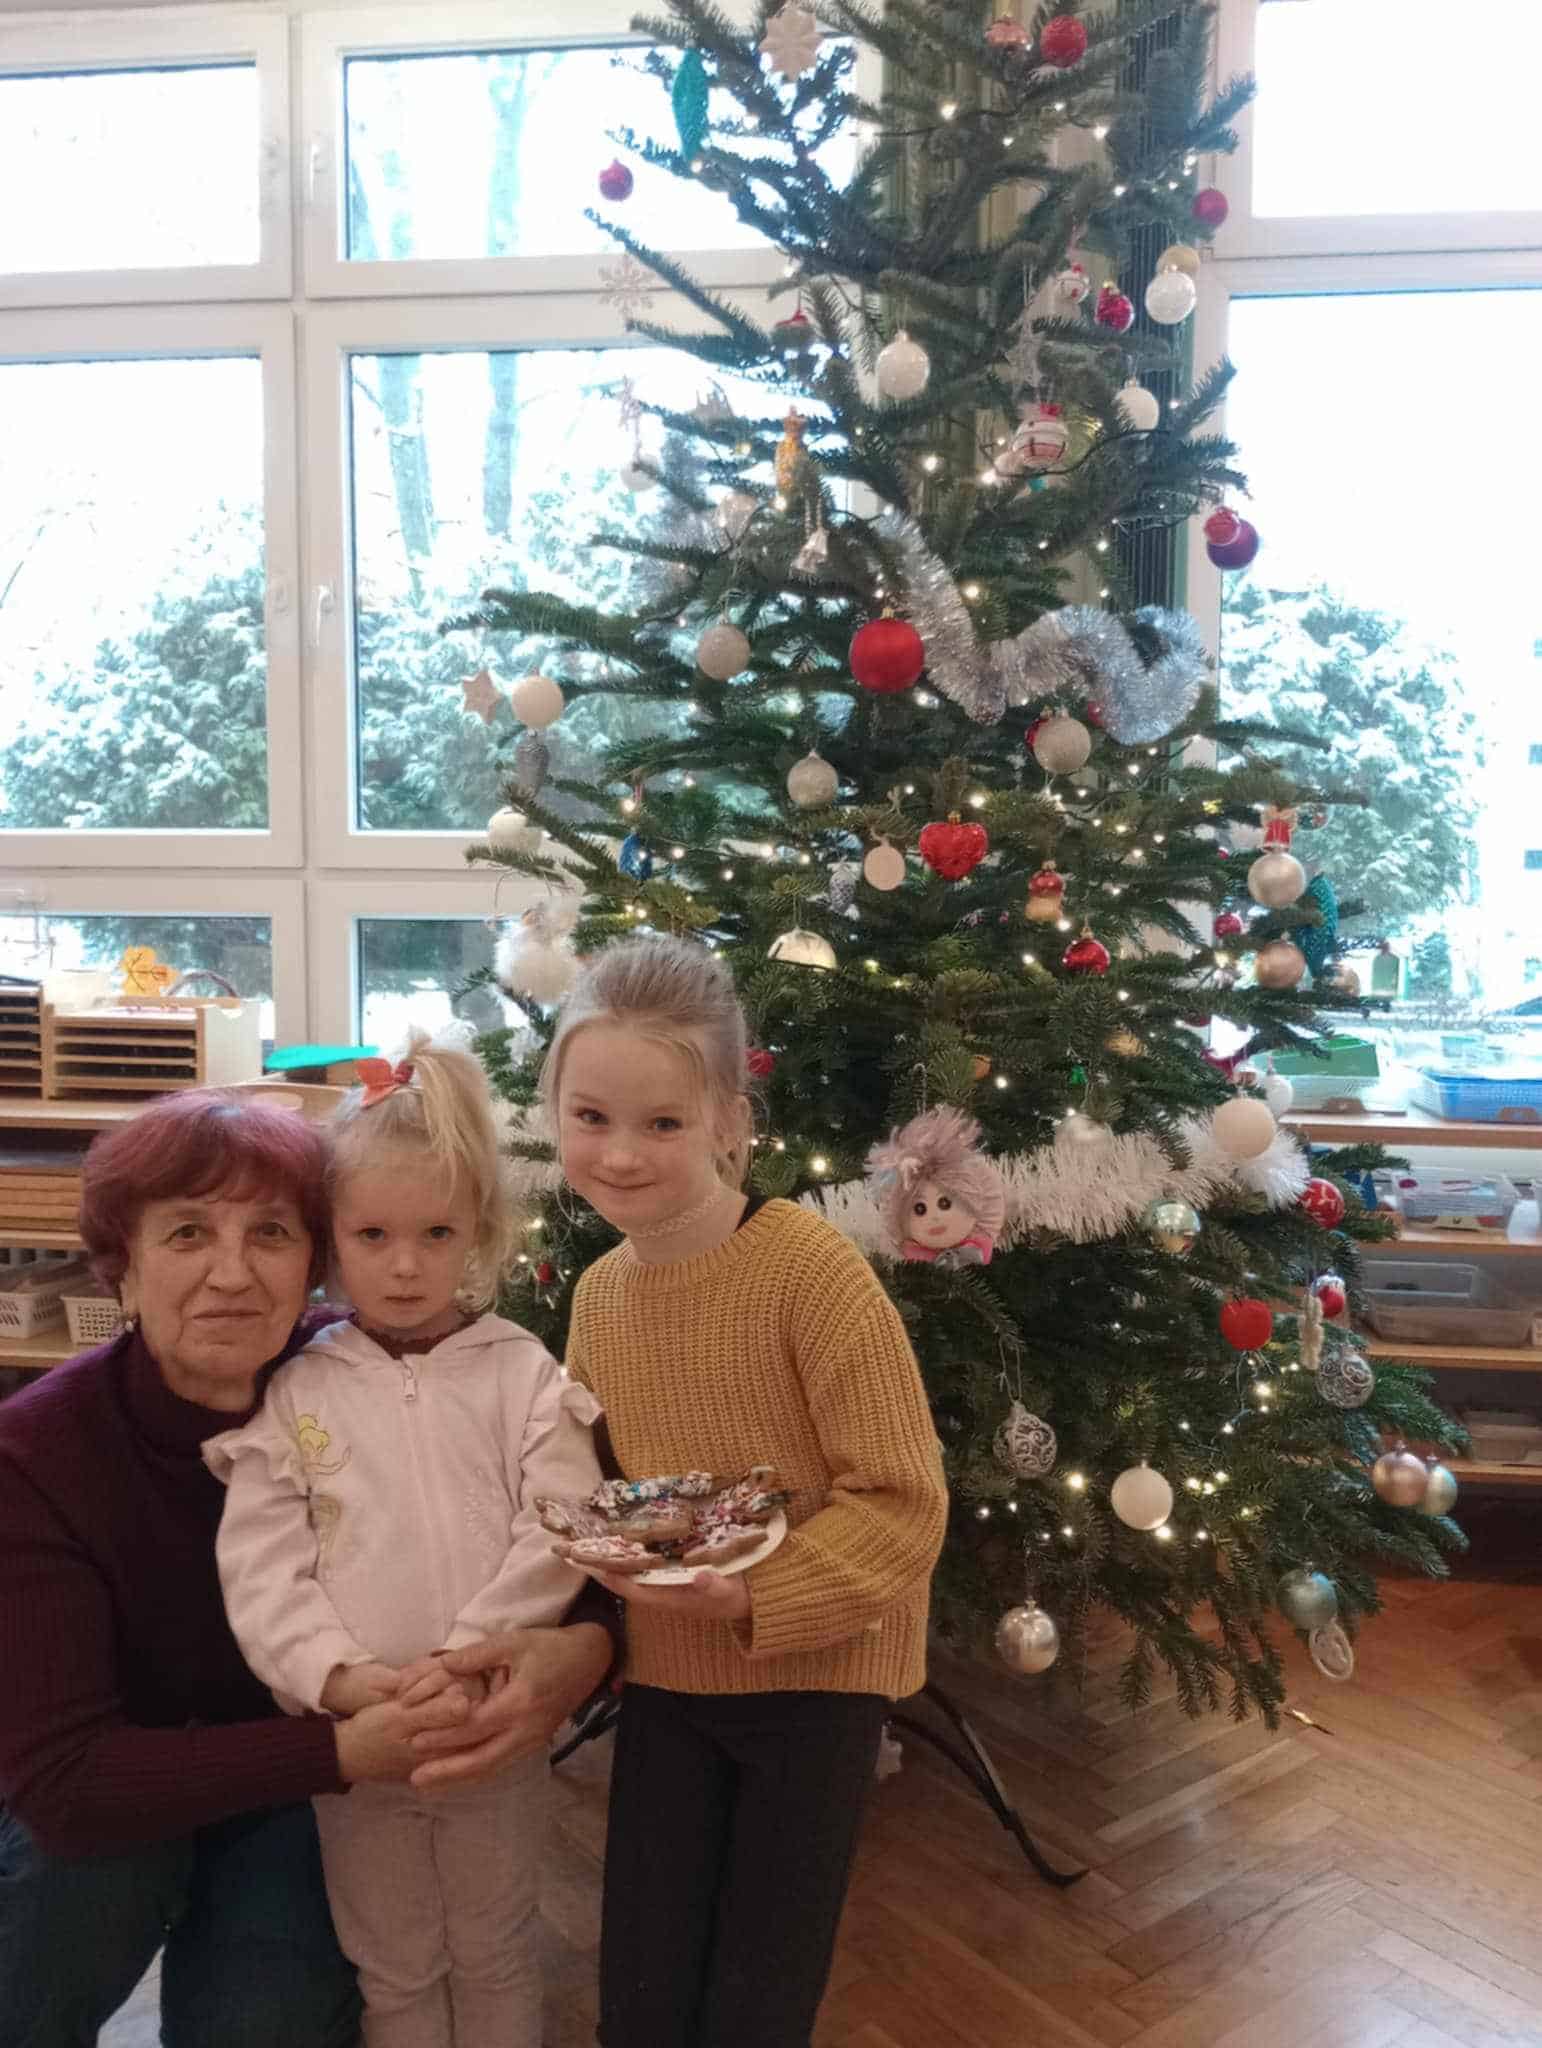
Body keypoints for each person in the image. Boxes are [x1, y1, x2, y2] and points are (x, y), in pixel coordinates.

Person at [0, 1088, 616, 2048]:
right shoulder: (37, 1454)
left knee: (277, 2021)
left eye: (271, 1233)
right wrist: (345, 1739)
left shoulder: (380, 1363)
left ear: (311, 1259)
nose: (232, 1273)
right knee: (58, 1938)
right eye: (188, 1233)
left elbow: (576, 1524)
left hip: (303, 1787)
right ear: (122, 1265)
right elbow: (67, 1782)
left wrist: (582, 1651)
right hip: (132, 1794)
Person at [543, 932, 950, 2048]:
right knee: (641, 1987)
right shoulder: (599, 1295)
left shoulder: (810, 1270)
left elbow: (903, 1499)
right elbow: (601, 1489)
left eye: (663, 1123)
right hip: (669, 1676)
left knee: (757, 2000)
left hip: (816, 1681)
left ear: (729, 1122)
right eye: (591, 1117)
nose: (621, 1154)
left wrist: (758, 1594)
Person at [207, 1030, 603, 2048]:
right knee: (390, 1959)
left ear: (478, 1231)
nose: (405, 1263)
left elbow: (560, 1522)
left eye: (436, 1233)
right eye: (373, 1234)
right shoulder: (298, 1388)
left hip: (492, 1720)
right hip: (362, 1736)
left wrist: (471, 1658)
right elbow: (261, 1566)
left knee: (496, 1945)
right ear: (331, 1237)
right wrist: (339, 1680)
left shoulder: (522, 1370)